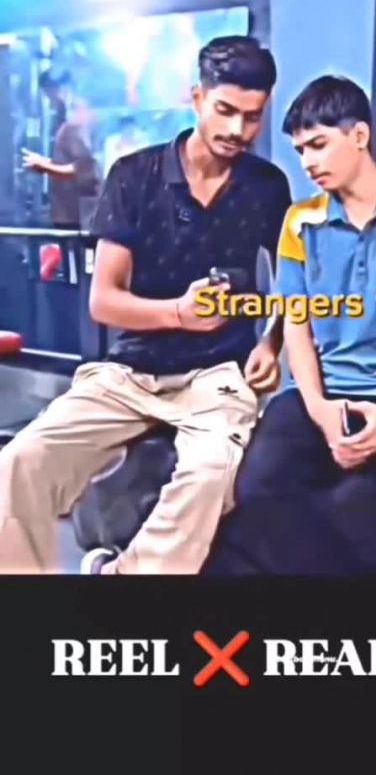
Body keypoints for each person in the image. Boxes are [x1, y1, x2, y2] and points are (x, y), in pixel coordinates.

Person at [0, 36, 291, 575]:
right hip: (130, 372)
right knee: (20, 461)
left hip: (217, 375)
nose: (237, 130)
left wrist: (272, 343)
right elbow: (104, 301)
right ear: (197, 97)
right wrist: (177, 313)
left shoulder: (267, 187)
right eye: (225, 110)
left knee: (213, 473)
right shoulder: (135, 175)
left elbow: (292, 287)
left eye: (252, 117)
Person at [206, 75, 376, 577]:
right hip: (322, 389)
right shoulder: (299, 222)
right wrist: (320, 409)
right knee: (257, 485)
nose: (307, 162)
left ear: (359, 136)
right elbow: (297, 327)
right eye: (300, 150)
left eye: (318, 144)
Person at [22, 82, 101, 229]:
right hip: (66, 210)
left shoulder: (75, 125)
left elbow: (83, 170)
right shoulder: (71, 126)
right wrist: (46, 162)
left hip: (78, 214)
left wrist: (45, 167)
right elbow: (70, 162)